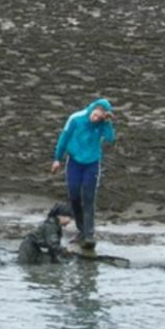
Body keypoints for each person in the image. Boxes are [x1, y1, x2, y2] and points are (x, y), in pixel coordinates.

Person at [51, 98, 116, 250]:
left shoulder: (102, 124)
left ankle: (89, 234)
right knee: (74, 196)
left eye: (101, 117)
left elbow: (111, 139)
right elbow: (64, 138)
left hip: (92, 164)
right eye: (96, 114)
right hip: (74, 162)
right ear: (93, 109)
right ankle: (81, 229)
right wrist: (57, 159)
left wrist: (106, 123)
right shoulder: (76, 118)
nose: (97, 118)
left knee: (88, 197)